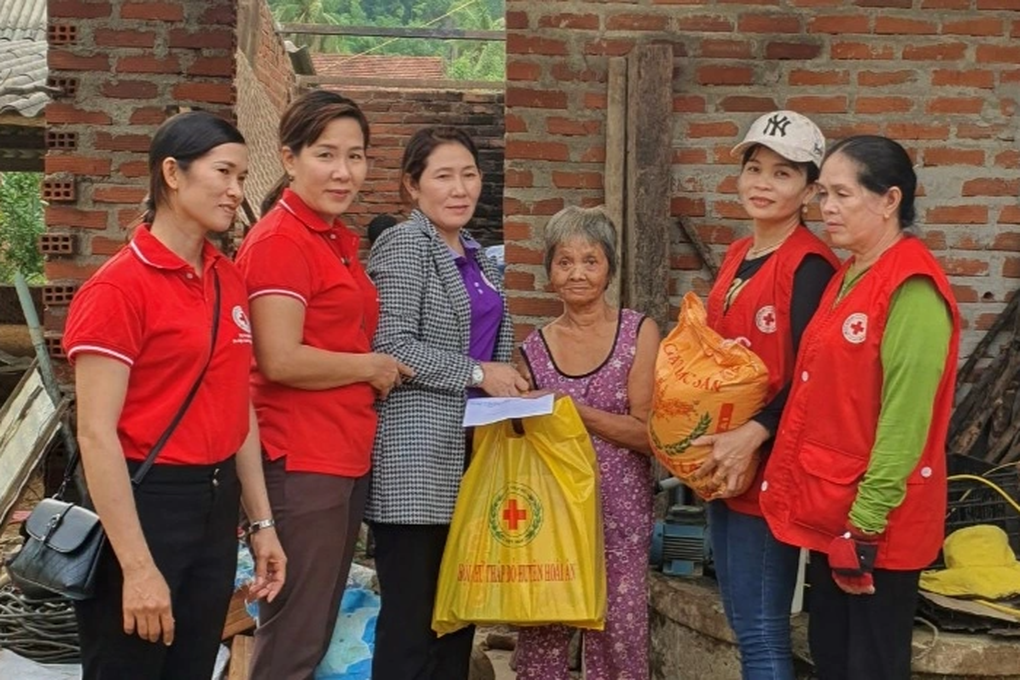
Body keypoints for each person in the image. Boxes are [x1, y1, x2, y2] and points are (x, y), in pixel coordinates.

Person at [62, 111, 286, 680]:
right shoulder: (117, 288)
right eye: (225, 173)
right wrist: (137, 566)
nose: (237, 191)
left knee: (191, 667)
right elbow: (95, 434)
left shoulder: (226, 277)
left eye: (243, 176)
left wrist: (261, 524)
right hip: (142, 501)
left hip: (214, 502)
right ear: (173, 173)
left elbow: (240, 410)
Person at [760, 135, 960, 680]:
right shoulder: (852, 274)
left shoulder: (911, 288)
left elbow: (905, 421)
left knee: (868, 667)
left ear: (890, 199)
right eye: (823, 194)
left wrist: (865, 524)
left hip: (875, 530)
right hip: (835, 514)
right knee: (833, 659)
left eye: (842, 195)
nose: (826, 208)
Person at [235, 90, 411, 680]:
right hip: (302, 457)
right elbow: (278, 358)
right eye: (326, 155)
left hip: (341, 453)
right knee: (294, 635)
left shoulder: (332, 238)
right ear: (290, 158)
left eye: (356, 156)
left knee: (311, 628)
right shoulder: (282, 241)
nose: (344, 172)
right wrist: (371, 366)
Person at [367, 126, 526, 680]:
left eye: (469, 174)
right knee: (412, 620)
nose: (460, 189)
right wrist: (481, 372)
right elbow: (391, 346)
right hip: (415, 456)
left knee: (458, 615)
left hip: (471, 453)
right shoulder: (406, 244)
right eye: (443, 176)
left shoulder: (476, 255)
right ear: (413, 186)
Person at [689, 110, 839, 680]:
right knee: (741, 616)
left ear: (808, 188)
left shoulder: (808, 267)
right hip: (724, 462)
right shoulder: (736, 255)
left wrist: (754, 434)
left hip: (766, 464)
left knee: (761, 630)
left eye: (782, 173)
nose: (762, 184)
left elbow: (812, 377)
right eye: (755, 168)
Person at [515, 206, 660, 679]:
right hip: (552, 513)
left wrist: (572, 410)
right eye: (564, 261)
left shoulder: (638, 332)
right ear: (549, 273)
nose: (577, 273)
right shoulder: (531, 351)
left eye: (590, 260)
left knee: (620, 627)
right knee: (544, 626)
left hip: (620, 510)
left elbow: (647, 435)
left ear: (610, 268)